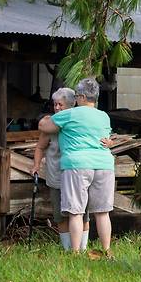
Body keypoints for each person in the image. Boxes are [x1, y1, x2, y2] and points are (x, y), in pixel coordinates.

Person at [38, 78, 115, 254]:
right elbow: (106, 139)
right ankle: (107, 251)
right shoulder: (104, 116)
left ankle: (75, 253)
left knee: (76, 212)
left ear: (80, 97)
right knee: (103, 213)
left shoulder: (70, 114)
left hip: (77, 165)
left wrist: (50, 117)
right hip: (104, 165)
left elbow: (44, 126)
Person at [30, 88, 89, 250]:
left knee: (82, 214)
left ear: (71, 105)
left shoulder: (79, 123)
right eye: (55, 104)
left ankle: (81, 250)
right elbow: (40, 147)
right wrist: (36, 165)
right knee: (60, 215)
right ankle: (67, 248)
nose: (57, 108)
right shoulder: (50, 125)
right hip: (57, 177)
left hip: (78, 174)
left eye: (60, 105)